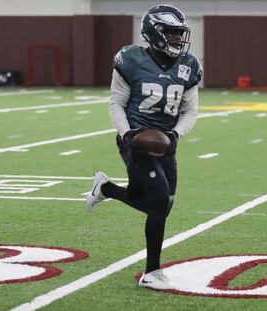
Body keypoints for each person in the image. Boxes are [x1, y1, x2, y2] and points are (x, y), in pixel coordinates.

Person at [86, 4, 202, 290]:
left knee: (160, 206)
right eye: (173, 33)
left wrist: (175, 135)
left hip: (166, 142)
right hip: (136, 140)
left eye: (180, 34)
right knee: (160, 200)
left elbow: (190, 110)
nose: (178, 39)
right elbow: (116, 102)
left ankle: (106, 189)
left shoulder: (188, 65)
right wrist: (127, 135)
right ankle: (151, 272)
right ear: (156, 33)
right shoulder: (131, 59)